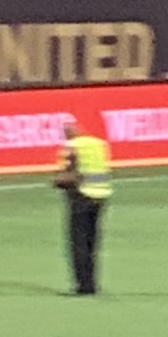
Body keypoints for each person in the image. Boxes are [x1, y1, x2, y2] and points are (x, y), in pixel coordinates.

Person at [52, 117, 110, 294]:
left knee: (79, 242)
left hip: (81, 196)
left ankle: (83, 286)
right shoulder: (98, 144)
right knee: (92, 242)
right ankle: (92, 283)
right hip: (101, 195)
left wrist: (57, 182)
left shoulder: (71, 147)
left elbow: (68, 173)